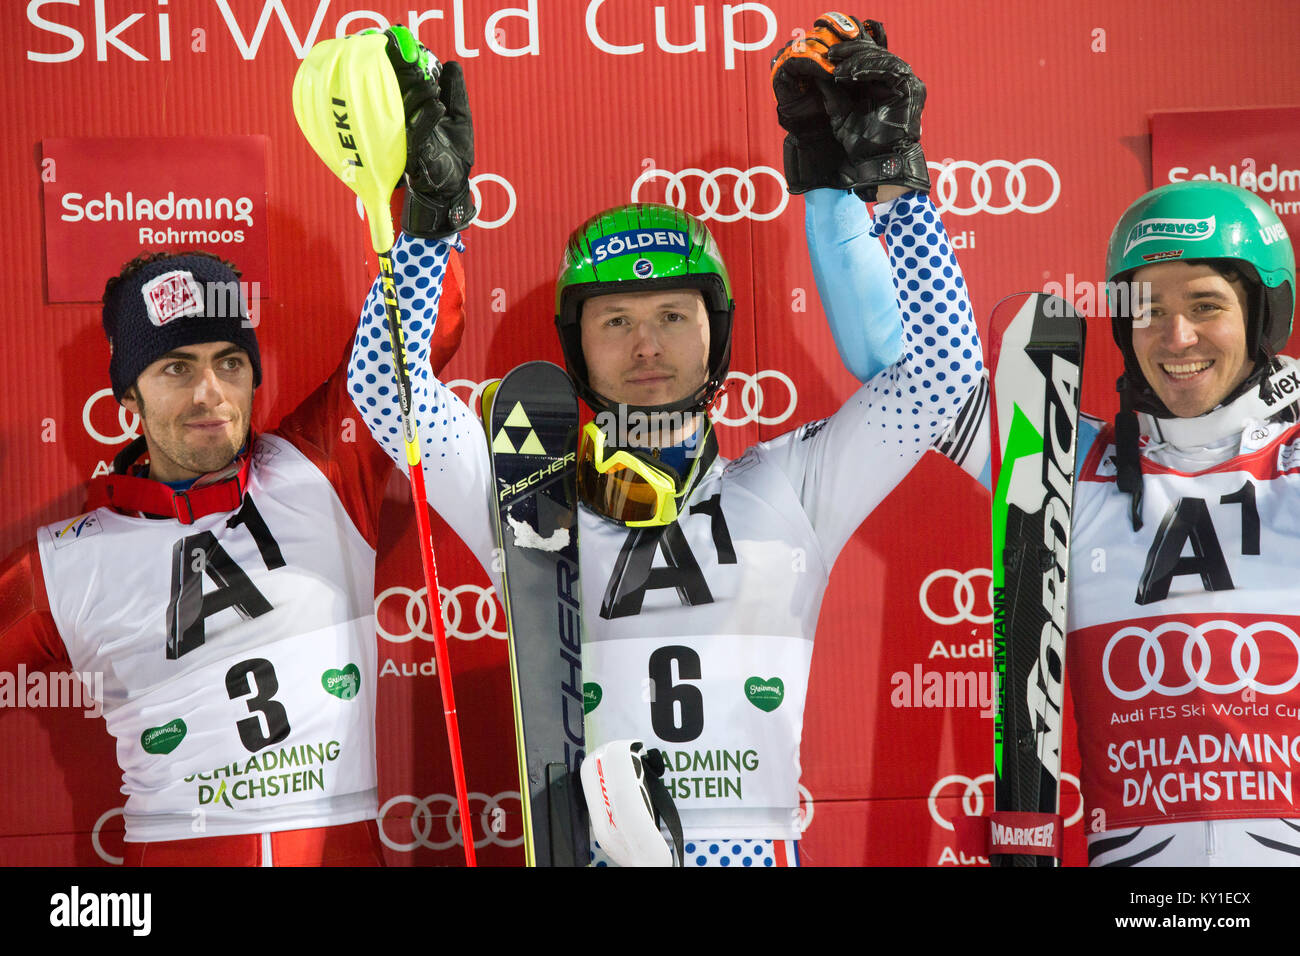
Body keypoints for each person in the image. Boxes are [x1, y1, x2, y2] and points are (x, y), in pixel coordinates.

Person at [350, 16, 983, 865]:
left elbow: (941, 377)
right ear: (576, 346)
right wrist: (430, 225)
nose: (646, 346)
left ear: (715, 335)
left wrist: (898, 189)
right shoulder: (528, 499)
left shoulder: (792, 487)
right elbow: (385, 393)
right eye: (616, 320)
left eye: (673, 318)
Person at [0, 33, 476, 865]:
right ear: (126, 400)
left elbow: (406, 350)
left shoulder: (323, 467)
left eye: (229, 364)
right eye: (175, 368)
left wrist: (425, 215)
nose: (210, 392)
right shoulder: (59, 568)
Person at [820, 175, 1300, 864]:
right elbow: (905, 373)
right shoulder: (1061, 462)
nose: (1177, 335)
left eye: (1205, 304)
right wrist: (889, 191)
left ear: (1261, 314)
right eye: (1149, 308)